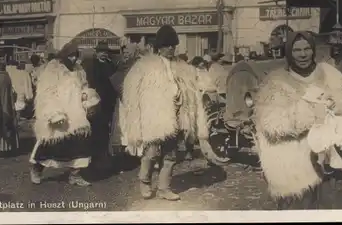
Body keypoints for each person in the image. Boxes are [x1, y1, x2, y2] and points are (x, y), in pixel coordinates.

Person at [252, 31, 342, 210]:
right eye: (297, 49)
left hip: (331, 165)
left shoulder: (329, 74)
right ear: (289, 52)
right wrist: (307, 113)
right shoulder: (275, 83)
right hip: (296, 171)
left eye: (307, 48)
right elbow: (269, 123)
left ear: (313, 50)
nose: (302, 54)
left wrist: (334, 103)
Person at [120, 25, 209, 201]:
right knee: (151, 153)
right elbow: (131, 92)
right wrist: (135, 118)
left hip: (176, 115)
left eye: (173, 46)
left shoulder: (181, 68)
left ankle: (163, 187)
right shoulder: (145, 66)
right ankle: (144, 181)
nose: (170, 49)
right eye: (167, 45)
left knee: (170, 155)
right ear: (159, 47)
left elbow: (191, 90)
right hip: (154, 117)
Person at [29, 43, 100, 186]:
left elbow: (84, 86)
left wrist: (87, 96)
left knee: (81, 144)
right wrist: (54, 113)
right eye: (70, 55)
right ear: (64, 55)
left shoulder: (79, 70)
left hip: (77, 112)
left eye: (75, 55)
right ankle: (37, 168)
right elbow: (47, 93)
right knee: (51, 144)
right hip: (60, 113)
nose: (73, 59)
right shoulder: (53, 70)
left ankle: (75, 174)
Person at [80, 41, 119, 173]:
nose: (103, 54)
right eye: (101, 51)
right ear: (96, 52)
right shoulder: (91, 65)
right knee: (96, 130)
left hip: (109, 102)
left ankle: (103, 156)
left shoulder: (110, 64)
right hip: (95, 102)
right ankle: (95, 157)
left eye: (105, 52)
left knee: (106, 130)